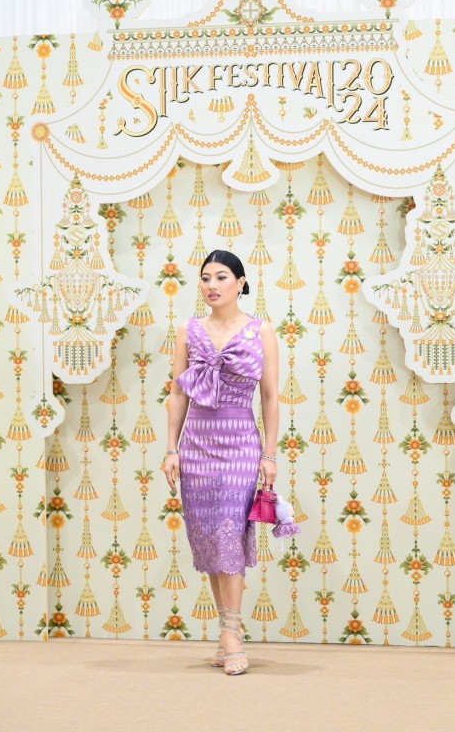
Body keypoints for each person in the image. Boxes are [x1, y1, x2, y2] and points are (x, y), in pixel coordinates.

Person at [164, 249, 279, 676]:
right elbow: (178, 393)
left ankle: (231, 634)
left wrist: (270, 455)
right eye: (206, 278)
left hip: (240, 443)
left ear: (241, 283)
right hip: (197, 444)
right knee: (210, 538)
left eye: (222, 277)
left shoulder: (260, 330)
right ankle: (227, 631)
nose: (212, 285)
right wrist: (171, 449)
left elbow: (270, 396)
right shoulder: (188, 330)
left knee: (230, 532)